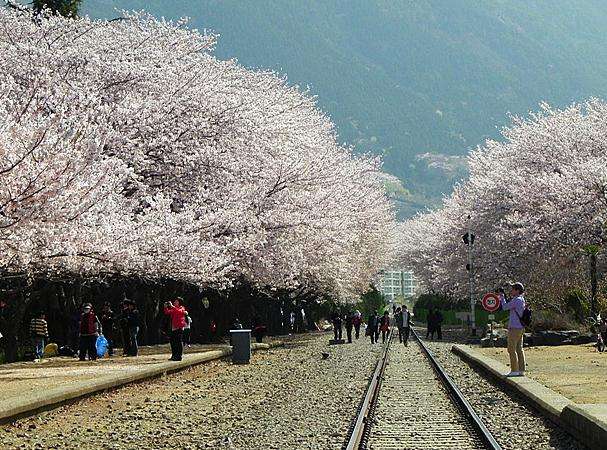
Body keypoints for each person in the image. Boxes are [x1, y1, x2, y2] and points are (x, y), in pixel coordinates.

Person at [500, 282, 526, 377]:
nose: (511, 291)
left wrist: (502, 297)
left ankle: (514, 370)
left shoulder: (516, 300)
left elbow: (504, 307)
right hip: (521, 327)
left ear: (517, 290)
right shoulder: (522, 299)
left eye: (513, 289)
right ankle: (521, 370)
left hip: (514, 328)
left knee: (511, 349)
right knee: (519, 349)